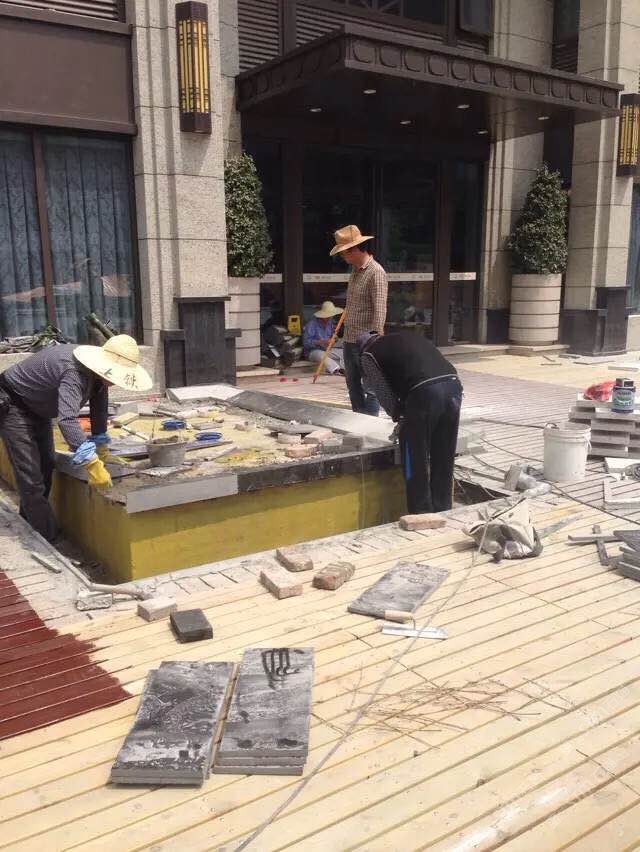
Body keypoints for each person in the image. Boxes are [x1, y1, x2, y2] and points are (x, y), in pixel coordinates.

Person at [0, 334, 152, 542]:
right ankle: (48, 538)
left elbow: (99, 410)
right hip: (13, 404)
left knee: (47, 464)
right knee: (31, 477)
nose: (115, 382)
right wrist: (91, 463)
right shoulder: (75, 372)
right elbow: (67, 420)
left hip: (37, 408)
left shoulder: (98, 376)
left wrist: (101, 446)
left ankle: (31, 522)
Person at [357, 331, 462, 514]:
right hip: (453, 387)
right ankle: (443, 510)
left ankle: (421, 513)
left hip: (425, 392)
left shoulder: (369, 355)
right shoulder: (407, 338)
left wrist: (399, 417)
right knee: (444, 454)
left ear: (363, 348)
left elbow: (383, 392)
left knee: (415, 457)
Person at [330, 225, 388, 415]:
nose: (342, 257)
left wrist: (377, 342)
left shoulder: (376, 272)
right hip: (350, 338)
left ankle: (369, 424)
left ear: (353, 249)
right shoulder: (355, 271)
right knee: (352, 384)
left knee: (370, 387)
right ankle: (357, 421)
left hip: (367, 341)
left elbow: (379, 310)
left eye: (343, 253)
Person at [302, 301, 344, 375]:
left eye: (331, 316)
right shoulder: (312, 325)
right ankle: (337, 370)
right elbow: (306, 343)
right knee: (322, 355)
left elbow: (333, 337)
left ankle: (344, 368)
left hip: (327, 350)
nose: (330, 317)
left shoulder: (330, 323)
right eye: (328, 316)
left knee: (343, 353)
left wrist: (334, 338)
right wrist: (322, 341)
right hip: (313, 352)